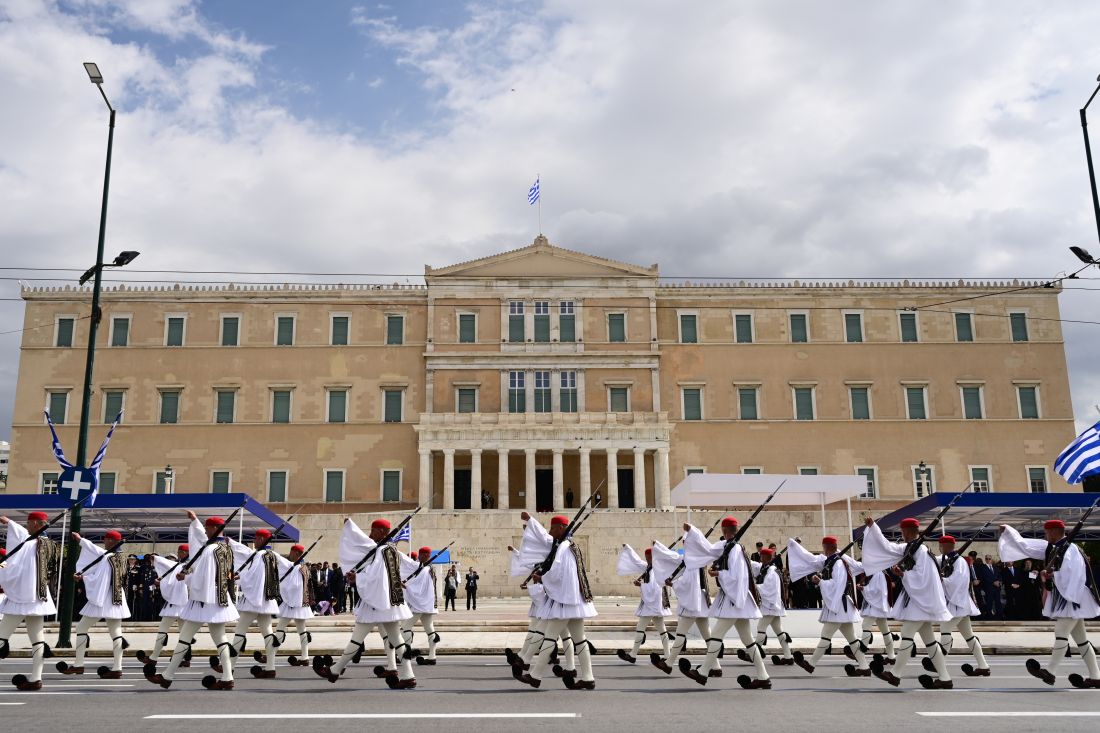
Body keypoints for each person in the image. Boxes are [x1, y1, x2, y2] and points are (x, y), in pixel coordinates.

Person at [313, 518, 419, 689]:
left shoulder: (382, 550)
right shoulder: (391, 549)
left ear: (383, 532)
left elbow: (376, 577)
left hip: (376, 603)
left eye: (374, 530)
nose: (371, 534)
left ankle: (335, 670)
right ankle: (408, 676)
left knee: (357, 638)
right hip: (390, 603)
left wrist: (357, 578)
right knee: (397, 640)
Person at [999, 519, 1100, 688]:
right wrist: (1009, 531)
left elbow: (1074, 573)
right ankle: (1096, 677)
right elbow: (1026, 547)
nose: (1045, 536)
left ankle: (1050, 672)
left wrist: (1053, 574)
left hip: (1073, 597)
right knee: (1081, 640)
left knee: (1061, 631)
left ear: (1053, 532)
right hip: (1067, 596)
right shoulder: (1051, 548)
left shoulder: (1071, 549)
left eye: (1046, 532)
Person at [144, 512, 239, 690]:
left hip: (204, 600)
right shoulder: (225, 548)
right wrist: (194, 521)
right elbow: (202, 540)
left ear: (212, 529)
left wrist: (184, 578)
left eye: (207, 528)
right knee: (221, 640)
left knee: (185, 638)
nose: (206, 531)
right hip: (219, 600)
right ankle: (227, 677)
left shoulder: (210, 550)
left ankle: (167, 676)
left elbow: (202, 577)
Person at [861, 517, 953, 690]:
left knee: (907, 633)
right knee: (930, 642)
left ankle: (895, 674)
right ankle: (945, 678)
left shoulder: (922, 551)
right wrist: (873, 527)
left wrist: (903, 575)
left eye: (902, 531)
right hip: (917, 599)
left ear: (909, 531)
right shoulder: (910, 548)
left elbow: (924, 577)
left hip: (920, 601)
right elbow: (887, 547)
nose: (901, 534)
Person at [679, 517, 771, 690]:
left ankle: (704, 672)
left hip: (734, 600)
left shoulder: (735, 550)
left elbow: (737, 577)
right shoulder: (728, 547)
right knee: (749, 641)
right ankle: (763, 676)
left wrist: (719, 574)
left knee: (716, 636)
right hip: (736, 600)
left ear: (724, 530)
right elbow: (707, 548)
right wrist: (692, 531)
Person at [514, 514, 597, 690]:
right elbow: (545, 539)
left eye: (553, 528)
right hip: (574, 601)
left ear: (560, 528)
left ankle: (535, 676)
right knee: (580, 641)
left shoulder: (565, 547)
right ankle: (588, 678)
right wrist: (530, 522)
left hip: (565, 602)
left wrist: (542, 578)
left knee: (550, 637)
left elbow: (560, 573)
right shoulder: (567, 545)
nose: (550, 532)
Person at [786, 536, 869, 677]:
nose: (823, 550)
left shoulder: (838, 564)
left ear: (827, 547)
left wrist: (820, 582)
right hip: (841, 607)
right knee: (852, 639)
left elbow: (838, 584)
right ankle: (864, 666)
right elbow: (812, 560)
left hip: (838, 605)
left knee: (826, 636)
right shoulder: (833, 562)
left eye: (824, 547)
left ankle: (811, 664)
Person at [57, 530, 131, 679]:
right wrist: (81, 541)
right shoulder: (121, 557)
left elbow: (99, 577)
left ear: (111, 541)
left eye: (106, 539)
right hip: (117, 598)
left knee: (82, 627)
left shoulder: (108, 557)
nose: (104, 541)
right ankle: (117, 668)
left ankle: (78, 665)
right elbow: (98, 555)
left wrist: (83, 578)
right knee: (116, 633)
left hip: (103, 597)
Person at [0, 511, 61, 691]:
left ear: (35, 523)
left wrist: (10, 522)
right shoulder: (50, 544)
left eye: (28, 524)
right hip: (39, 596)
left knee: (1, 635)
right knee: (37, 639)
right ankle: (36, 678)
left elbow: (14, 558)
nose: (26, 527)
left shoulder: (30, 544)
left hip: (22, 597)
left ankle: (36, 678)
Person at [649, 537, 715, 675]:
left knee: (680, 634)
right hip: (701, 601)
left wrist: (673, 584)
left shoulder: (692, 560)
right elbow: (673, 557)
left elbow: (688, 582)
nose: (684, 546)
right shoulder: (696, 558)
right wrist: (658, 546)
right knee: (707, 636)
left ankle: (668, 663)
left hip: (692, 602)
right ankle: (716, 667)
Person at [222, 529, 282, 679]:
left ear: (261, 539)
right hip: (266, 599)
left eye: (256, 538)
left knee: (240, 631)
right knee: (268, 632)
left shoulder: (260, 555)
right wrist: (232, 542)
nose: (254, 541)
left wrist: (237, 577)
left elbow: (251, 576)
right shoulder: (271, 555)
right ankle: (270, 667)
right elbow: (246, 553)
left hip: (254, 599)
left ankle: (230, 667)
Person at [935, 535, 990, 678]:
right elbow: (931, 562)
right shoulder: (945, 559)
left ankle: (939, 665)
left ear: (947, 546)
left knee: (945, 630)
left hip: (957, 604)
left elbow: (958, 581)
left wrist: (943, 580)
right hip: (958, 605)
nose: (939, 548)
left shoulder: (959, 561)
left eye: (941, 545)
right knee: (969, 636)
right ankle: (983, 666)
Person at [615, 545, 673, 664]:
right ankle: (667, 655)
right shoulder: (649, 568)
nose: (647, 559)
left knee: (641, 628)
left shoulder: (657, 570)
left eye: (649, 557)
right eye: (646, 557)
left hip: (652, 604)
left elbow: (655, 588)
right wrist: (628, 548)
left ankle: (633, 655)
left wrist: (640, 585)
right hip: (653, 604)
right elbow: (636, 561)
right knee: (662, 630)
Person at [138, 545, 190, 667]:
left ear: (183, 552)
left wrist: (157, 559)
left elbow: (171, 568)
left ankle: (154, 657)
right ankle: (186, 658)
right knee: (185, 633)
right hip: (183, 603)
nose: (178, 554)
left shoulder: (185, 565)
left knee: (163, 630)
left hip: (176, 602)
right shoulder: (184, 564)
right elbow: (171, 569)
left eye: (179, 552)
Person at [750, 547, 794, 666]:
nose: (760, 558)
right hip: (772, 605)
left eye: (762, 556)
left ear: (767, 558)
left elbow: (768, 589)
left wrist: (755, 586)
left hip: (771, 605)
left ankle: (754, 654)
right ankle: (788, 656)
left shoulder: (772, 572)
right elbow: (754, 565)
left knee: (761, 627)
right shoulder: (765, 568)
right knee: (779, 631)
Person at [274, 544, 315, 667]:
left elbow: (294, 587)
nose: (289, 555)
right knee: (302, 631)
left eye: (291, 553)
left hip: (293, 604)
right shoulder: (304, 568)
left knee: (280, 628)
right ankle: (305, 657)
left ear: (296, 554)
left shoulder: (298, 568)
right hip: (301, 604)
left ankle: (272, 654)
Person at [402, 547, 441, 665]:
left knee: (405, 628)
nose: (421, 556)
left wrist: (406, 586)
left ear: (426, 555)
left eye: (423, 554)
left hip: (419, 604)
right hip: (428, 605)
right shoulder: (430, 568)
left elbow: (417, 587)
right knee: (430, 630)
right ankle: (432, 656)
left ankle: (405, 654)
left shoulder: (424, 569)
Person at [856, 569, 896, 665]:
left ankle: (860, 655)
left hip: (875, 606)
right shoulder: (878, 572)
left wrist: (863, 588)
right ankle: (891, 656)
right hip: (878, 605)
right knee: (885, 630)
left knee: (866, 627)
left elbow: (876, 590)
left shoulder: (878, 573)